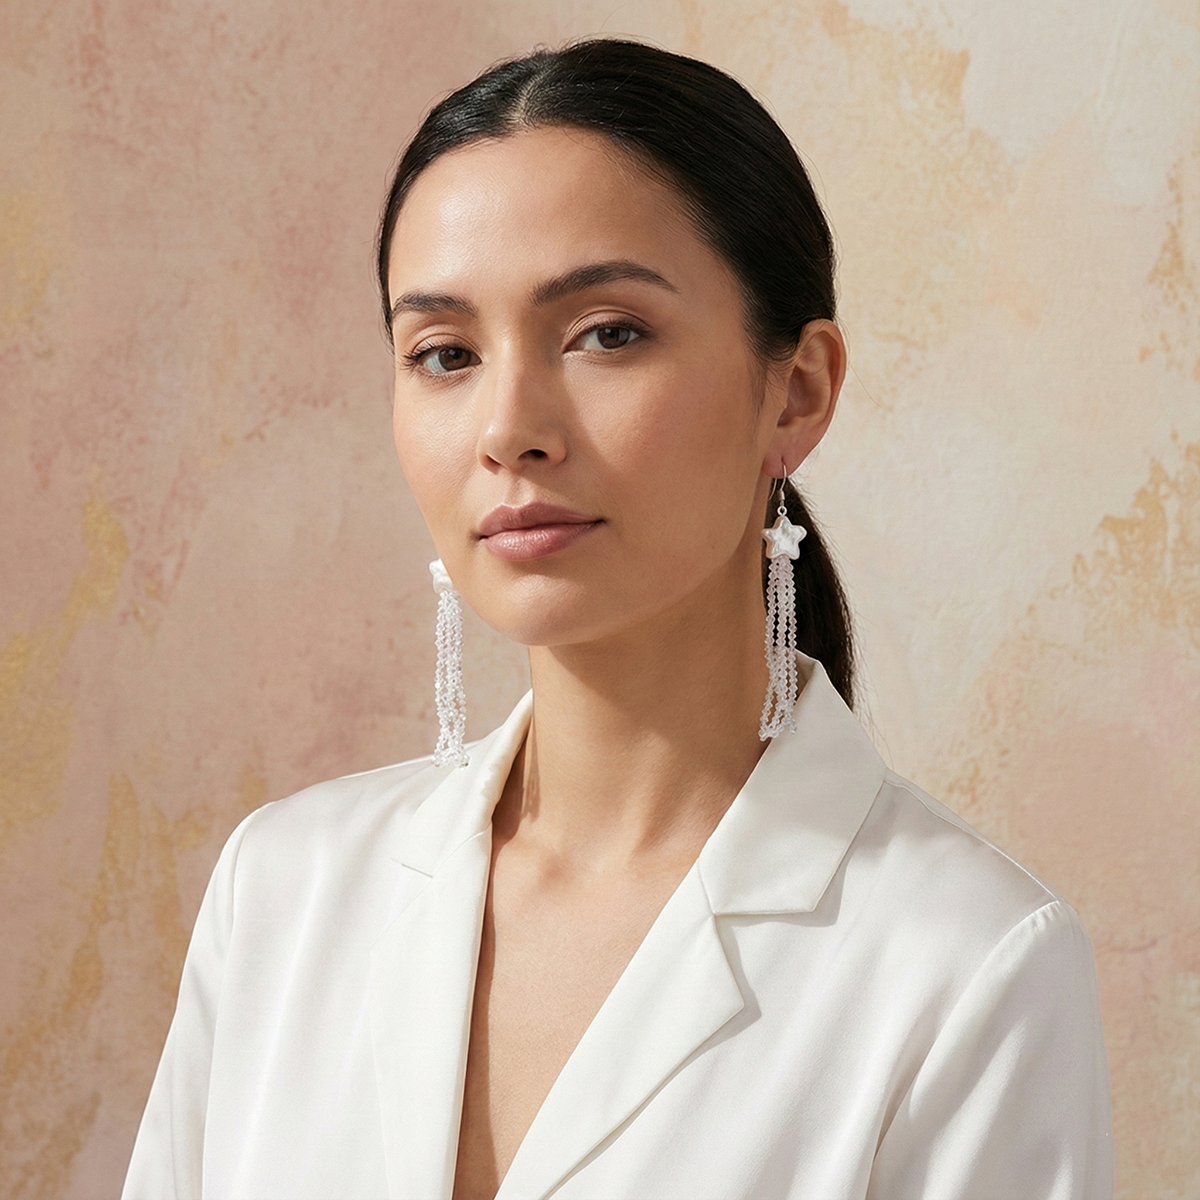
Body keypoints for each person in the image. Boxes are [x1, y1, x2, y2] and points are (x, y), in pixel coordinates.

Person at [122, 38, 1113, 1200]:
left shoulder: (968, 967)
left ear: (795, 392)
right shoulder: (283, 892)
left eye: (607, 333)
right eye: (444, 353)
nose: (510, 428)